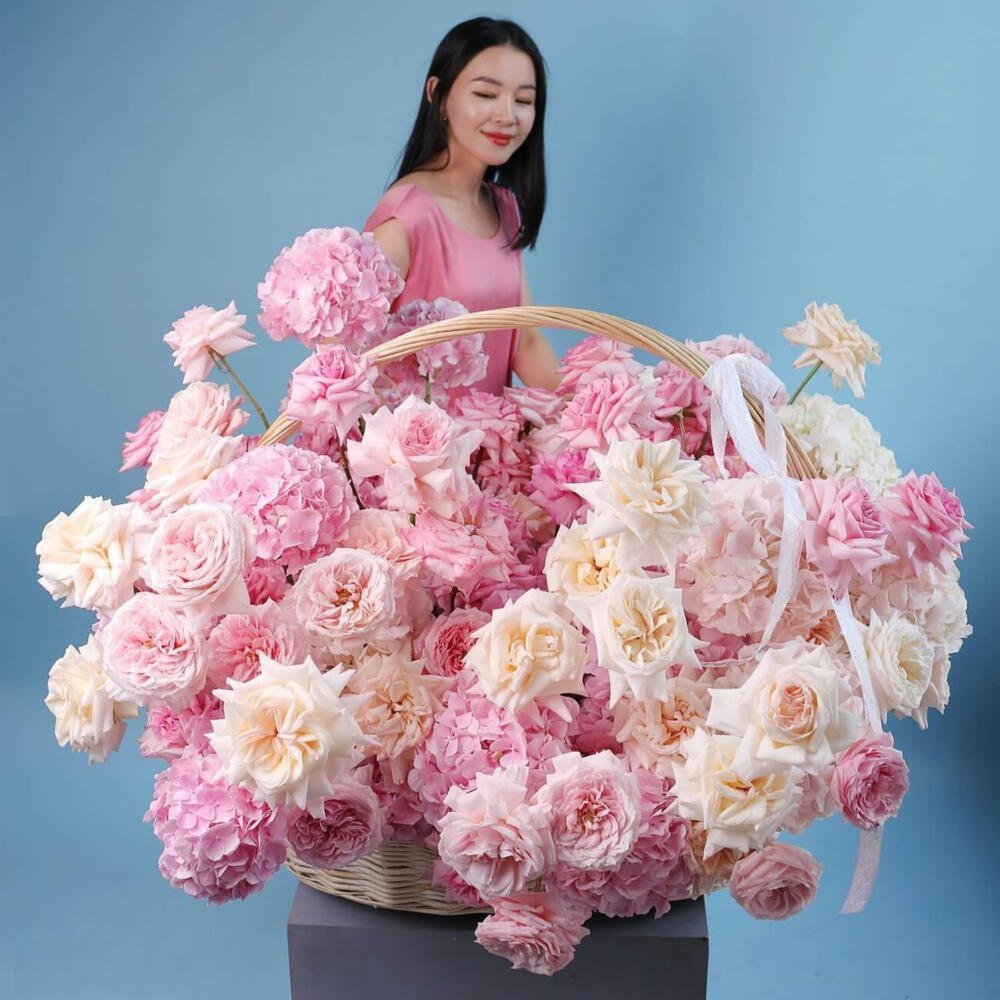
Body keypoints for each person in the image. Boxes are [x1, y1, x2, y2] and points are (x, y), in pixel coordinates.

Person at [364, 16, 562, 394]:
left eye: (523, 100)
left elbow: (526, 343)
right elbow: (352, 359)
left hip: (493, 430)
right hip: (418, 432)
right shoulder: (406, 216)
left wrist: (602, 409)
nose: (507, 115)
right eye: (486, 94)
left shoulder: (505, 208)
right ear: (437, 93)